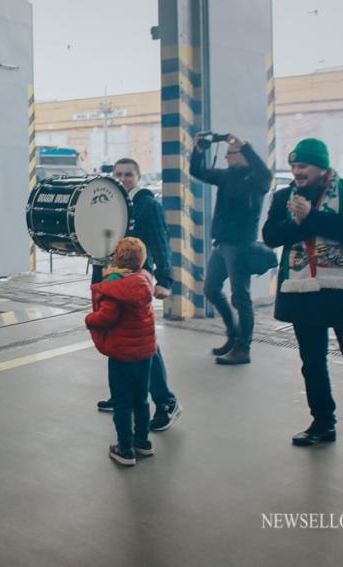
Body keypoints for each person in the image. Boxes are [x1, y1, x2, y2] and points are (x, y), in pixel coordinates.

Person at [262, 138, 343, 467]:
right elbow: (271, 236)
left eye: (303, 166)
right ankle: (322, 423)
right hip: (305, 293)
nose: (297, 172)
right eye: (293, 166)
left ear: (322, 167)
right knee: (312, 362)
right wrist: (297, 221)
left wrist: (311, 217)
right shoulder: (285, 197)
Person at [96, 158, 182, 433]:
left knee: (144, 343)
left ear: (138, 176)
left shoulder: (147, 204)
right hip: (113, 281)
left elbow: (161, 242)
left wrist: (166, 280)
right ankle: (121, 394)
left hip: (136, 287)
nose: (123, 179)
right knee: (116, 340)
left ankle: (166, 401)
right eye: (118, 174)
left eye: (128, 174)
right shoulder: (111, 204)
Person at [190, 133, 272, 364]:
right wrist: (198, 150)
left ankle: (243, 349)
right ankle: (233, 335)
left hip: (241, 246)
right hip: (222, 244)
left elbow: (266, 173)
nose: (226, 157)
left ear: (243, 156)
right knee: (211, 289)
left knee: (241, 298)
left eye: (230, 153)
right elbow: (198, 172)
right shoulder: (227, 176)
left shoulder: (258, 180)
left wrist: (243, 145)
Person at [86, 237, 157, 466]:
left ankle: (125, 449)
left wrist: (89, 319)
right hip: (144, 353)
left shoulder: (116, 287)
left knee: (122, 402)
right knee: (141, 399)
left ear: (117, 258)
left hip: (122, 355)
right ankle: (142, 442)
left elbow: (107, 316)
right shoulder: (144, 281)